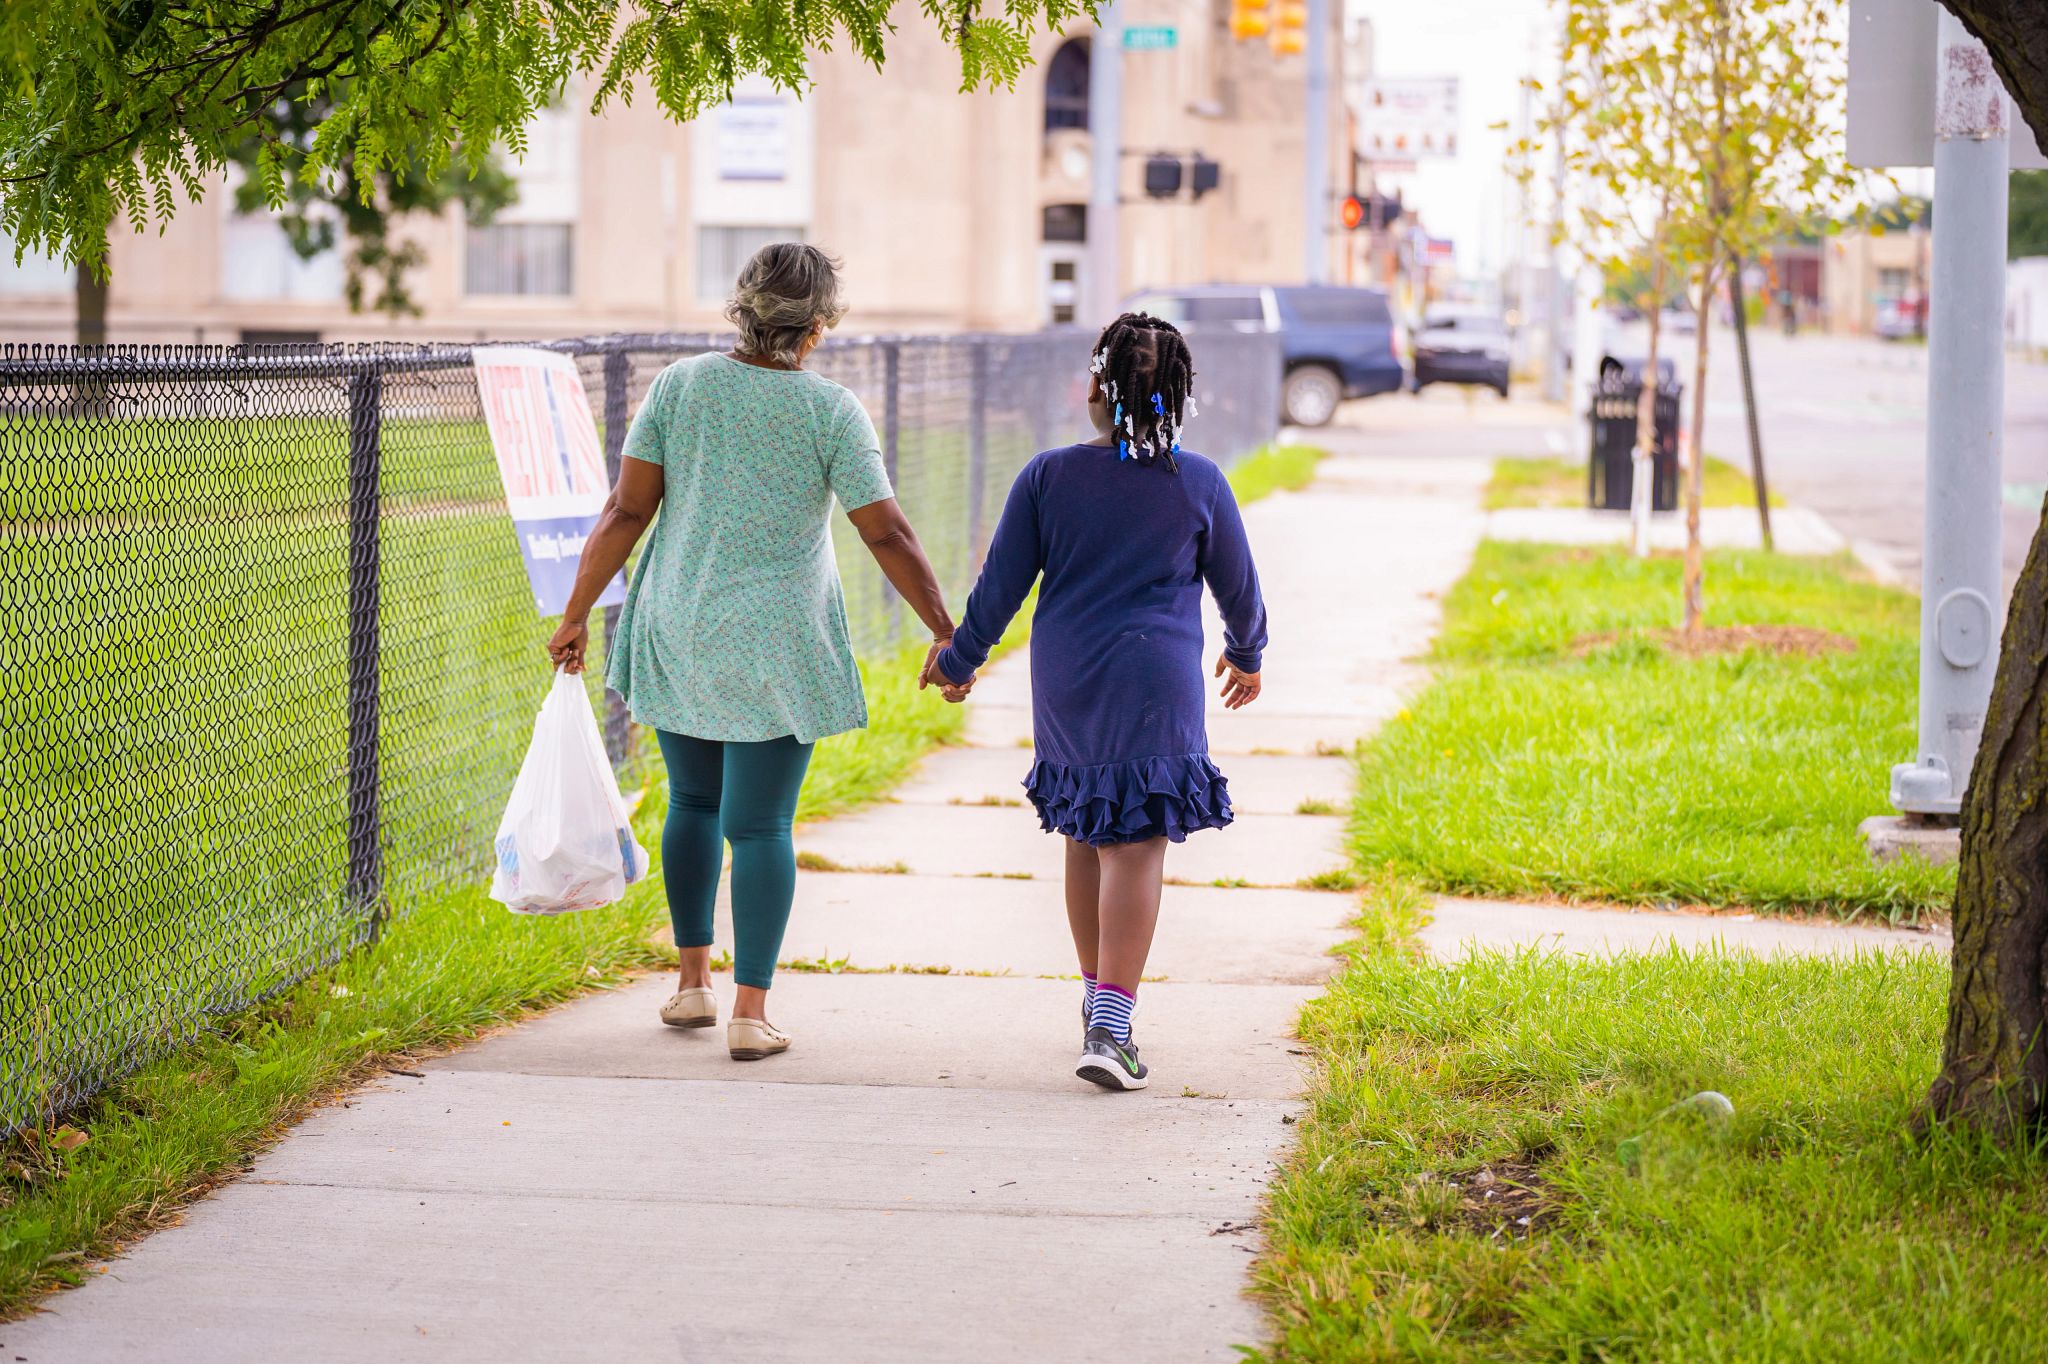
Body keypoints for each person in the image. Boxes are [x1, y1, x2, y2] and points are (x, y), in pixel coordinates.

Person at [548, 242, 960, 1062]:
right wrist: (947, 632)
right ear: (817, 329)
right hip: (778, 639)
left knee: (693, 806)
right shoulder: (831, 411)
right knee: (762, 823)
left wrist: (575, 613)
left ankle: (691, 983)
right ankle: (750, 1010)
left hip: (681, 625)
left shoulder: (679, 387)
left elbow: (625, 513)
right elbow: (885, 531)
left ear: (741, 310)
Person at [926, 313, 1268, 1091]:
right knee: (1137, 839)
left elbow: (998, 590)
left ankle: (1097, 1010)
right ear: (1175, 399)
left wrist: (959, 659)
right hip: (1157, 684)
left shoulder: (1047, 477)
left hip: (1070, 681)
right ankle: (1111, 1027)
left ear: (1095, 391)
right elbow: (1239, 588)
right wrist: (1246, 654)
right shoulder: (1199, 481)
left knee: (1086, 830)